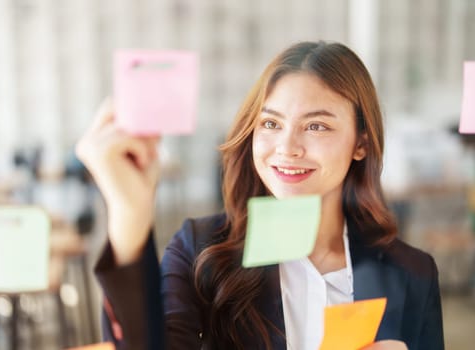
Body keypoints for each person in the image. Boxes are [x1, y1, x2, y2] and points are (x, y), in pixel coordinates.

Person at [76, 41, 444, 350]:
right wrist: (129, 215)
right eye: (270, 123)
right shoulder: (199, 251)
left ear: (361, 143)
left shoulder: (412, 272)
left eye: (316, 126)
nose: (287, 147)